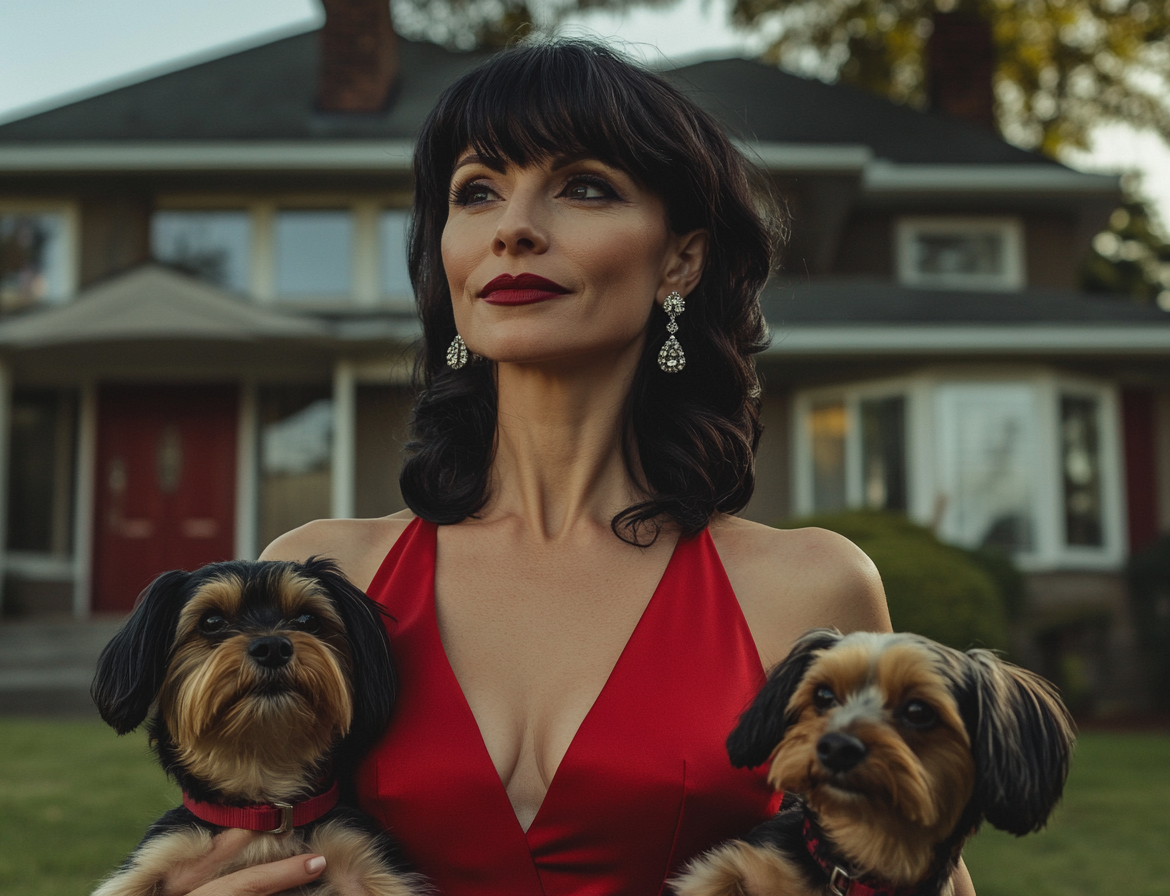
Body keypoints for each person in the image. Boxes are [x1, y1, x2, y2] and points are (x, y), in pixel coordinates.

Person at [165, 39, 975, 896]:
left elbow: (913, 869)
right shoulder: (322, 582)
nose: (514, 226)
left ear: (680, 260)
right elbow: (221, 851)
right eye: (477, 192)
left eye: (584, 186)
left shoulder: (810, 591)